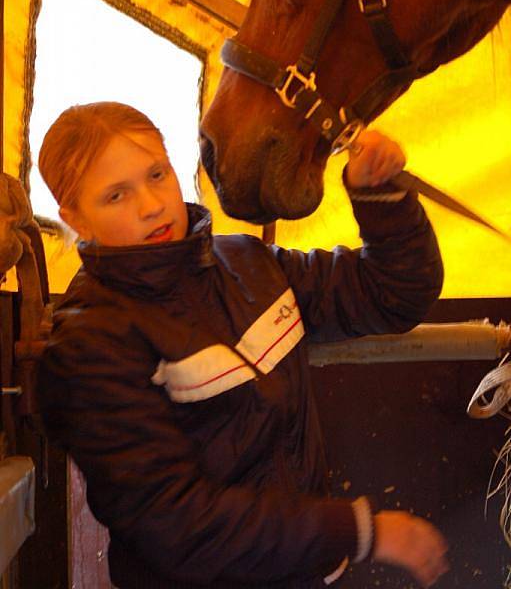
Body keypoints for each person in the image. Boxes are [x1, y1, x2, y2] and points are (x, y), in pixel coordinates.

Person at [37, 101, 449, 589]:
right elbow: (178, 525)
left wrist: (377, 192)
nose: (150, 204)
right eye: (116, 196)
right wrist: (359, 531)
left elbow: (394, 294)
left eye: (156, 174)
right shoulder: (88, 345)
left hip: (306, 576)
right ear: (75, 218)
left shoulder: (250, 264)